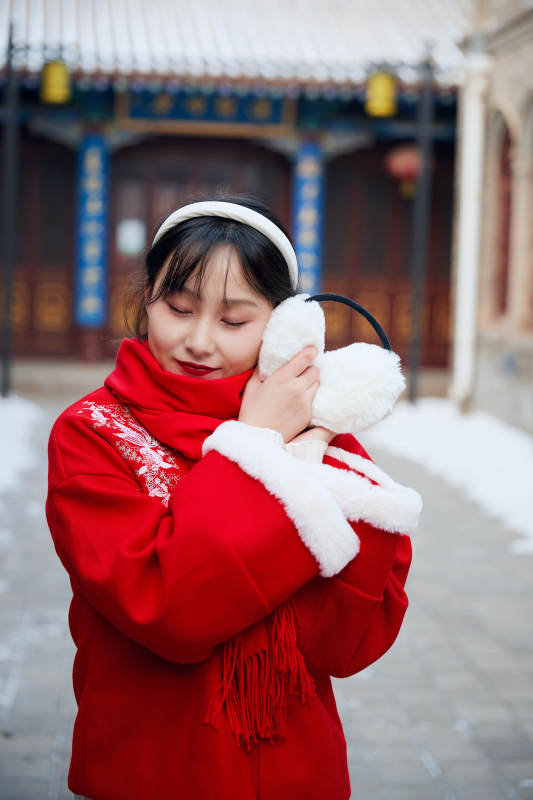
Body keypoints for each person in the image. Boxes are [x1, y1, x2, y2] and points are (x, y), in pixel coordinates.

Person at [46, 195, 418, 800]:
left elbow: (348, 645)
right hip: (149, 766)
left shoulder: (318, 437)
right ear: (147, 300)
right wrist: (256, 445)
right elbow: (166, 607)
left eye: (234, 321)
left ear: (281, 327)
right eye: (178, 308)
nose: (198, 341)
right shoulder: (93, 433)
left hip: (294, 768)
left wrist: (327, 467)